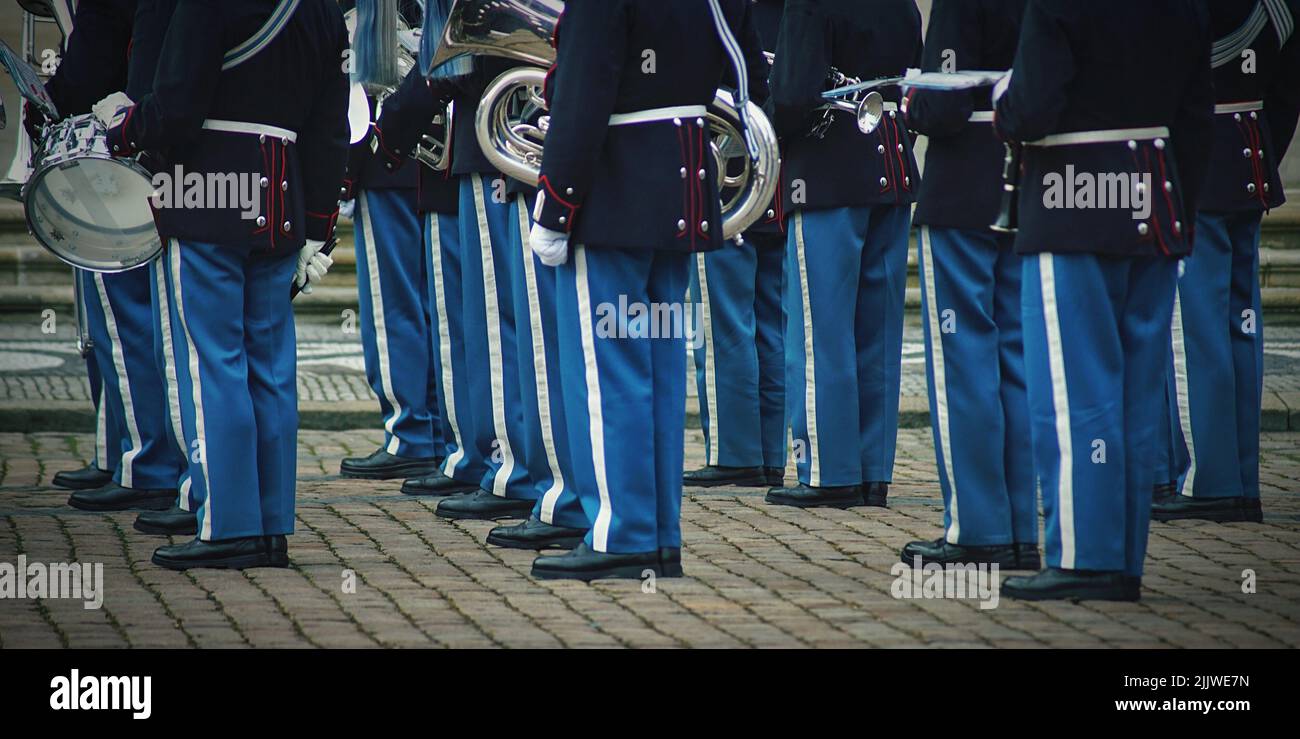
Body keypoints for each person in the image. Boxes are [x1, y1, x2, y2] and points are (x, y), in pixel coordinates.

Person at [102, 0, 350, 570]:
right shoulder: (322, 10)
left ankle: (229, 523)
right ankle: (269, 525)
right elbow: (329, 127)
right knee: (268, 364)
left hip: (207, 187)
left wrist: (126, 128)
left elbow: (179, 106)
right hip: (282, 191)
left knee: (214, 361)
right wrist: (317, 226)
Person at [526, 0, 768, 581]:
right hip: (682, 185)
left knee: (613, 378)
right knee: (659, 374)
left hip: (615, 191)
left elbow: (583, 91)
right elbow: (748, 75)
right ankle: (659, 531)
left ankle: (624, 535)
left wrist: (557, 206)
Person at [995, 0, 1213, 601]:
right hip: (1154, 202)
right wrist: (1178, 215)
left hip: (1072, 202)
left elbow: (1031, 108)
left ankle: (1083, 556)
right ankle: (1121, 556)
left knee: (1074, 392)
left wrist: (1002, 106)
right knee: (1137, 399)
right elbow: (1197, 121)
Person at [763, 0, 921, 510]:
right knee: (877, 332)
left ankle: (829, 472)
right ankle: (873, 471)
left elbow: (790, 97)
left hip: (829, 171)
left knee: (820, 334)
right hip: (891, 167)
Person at [899, 0, 1038, 569]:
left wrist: (912, 100)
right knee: (1016, 362)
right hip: (1024, 181)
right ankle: (1022, 525)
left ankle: (977, 528)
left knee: (964, 366)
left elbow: (942, 103)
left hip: (962, 188)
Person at [1154, 0, 1299, 524]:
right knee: (1241, 329)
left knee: (1193, 332)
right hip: (1248, 161)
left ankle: (1208, 481)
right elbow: (1285, 93)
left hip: (1193, 169)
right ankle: (1239, 478)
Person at [39, 0, 186, 514]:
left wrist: (55, 97)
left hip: (125, 148)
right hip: (140, 138)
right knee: (114, 326)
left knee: (128, 324)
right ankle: (121, 450)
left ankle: (148, 462)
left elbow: (100, 59)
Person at [682, 0, 786, 491]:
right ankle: (770, 452)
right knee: (768, 322)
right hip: (768, 173)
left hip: (725, 174)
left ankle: (735, 452)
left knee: (726, 324)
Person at [338, 0, 444, 482]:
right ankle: (440, 430)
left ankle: (412, 433)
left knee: (394, 303)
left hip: (389, 149)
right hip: (434, 153)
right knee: (434, 304)